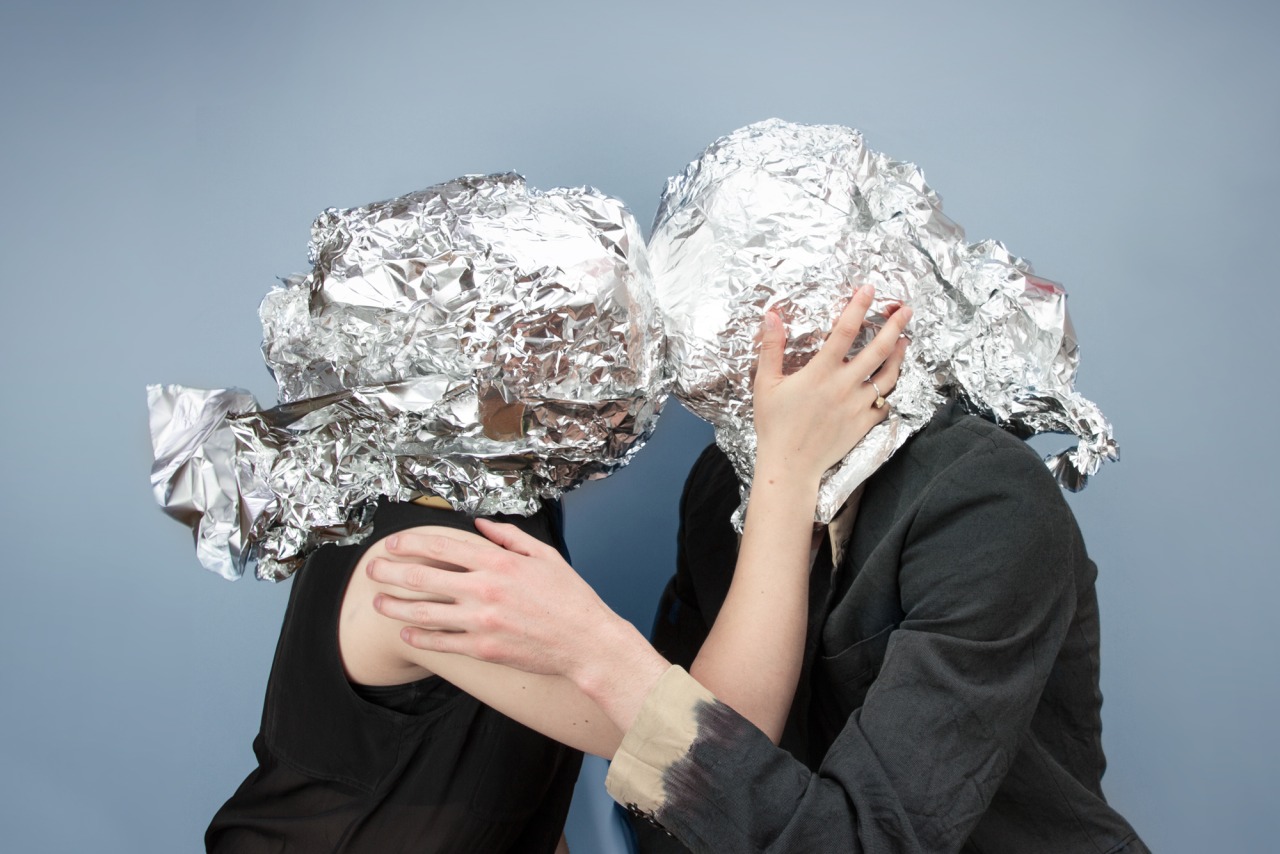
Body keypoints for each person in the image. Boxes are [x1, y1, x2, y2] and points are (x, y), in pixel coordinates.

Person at [368, 338, 1149, 850]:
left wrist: (599, 653)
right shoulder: (721, 487)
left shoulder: (984, 499)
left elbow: (861, 840)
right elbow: (670, 802)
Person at [207, 285, 910, 853]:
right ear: (472, 370)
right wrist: (789, 466)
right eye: (575, 336)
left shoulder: (502, 508)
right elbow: (725, 743)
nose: (632, 365)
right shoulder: (423, 560)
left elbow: (502, 778)